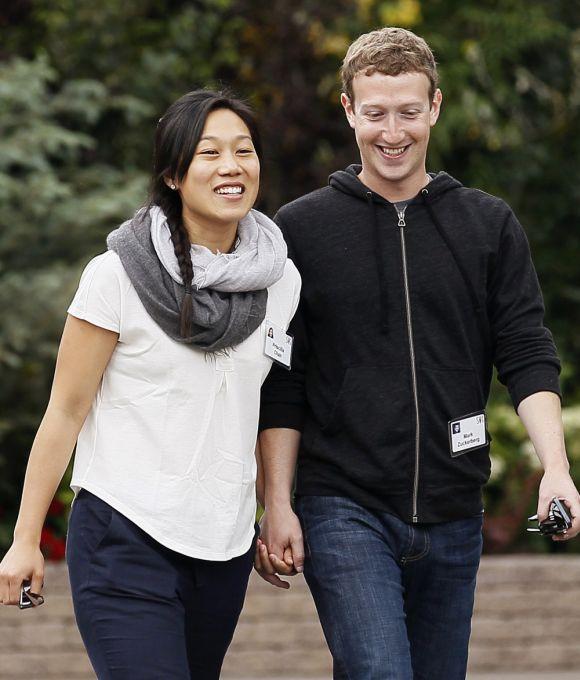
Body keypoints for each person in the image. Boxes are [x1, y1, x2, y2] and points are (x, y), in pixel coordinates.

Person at [254, 27, 580, 680]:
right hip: (340, 502)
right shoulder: (300, 231)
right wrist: (277, 501)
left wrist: (556, 468)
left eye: (408, 111)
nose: (392, 132)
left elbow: (526, 353)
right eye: (375, 113)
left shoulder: (487, 225)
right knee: (379, 671)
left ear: (434, 106)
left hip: (453, 508)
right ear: (349, 111)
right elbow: (281, 380)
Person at [0, 89, 300, 679]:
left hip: (223, 545)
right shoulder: (115, 275)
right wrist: (25, 538)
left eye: (244, 150)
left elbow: (261, 405)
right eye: (209, 152)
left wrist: (274, 506)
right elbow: (65, 411)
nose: (231, 166)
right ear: (172, 173)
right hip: (123, 534)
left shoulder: (281, 281)